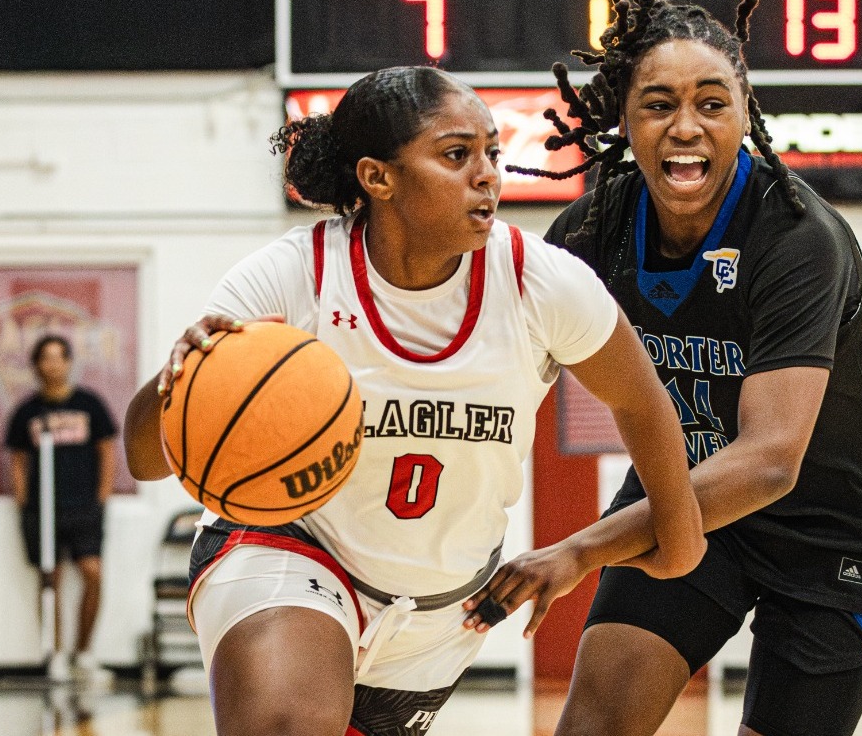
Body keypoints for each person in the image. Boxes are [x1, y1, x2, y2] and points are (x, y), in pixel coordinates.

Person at [123, 65, 706, 736]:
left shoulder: (540, 282)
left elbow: (640, 400)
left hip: (439, 610)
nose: (487, 175)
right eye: (457, 155)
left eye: (491, 153)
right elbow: (146, 459)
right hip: (288, 545)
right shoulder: (294, 275)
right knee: (288, 722)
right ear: (378, 178)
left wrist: (678, 542)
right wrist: (181, 378)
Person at [496, 0, 862, 735]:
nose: (685, 127)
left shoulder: (796, 236)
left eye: (711, 103)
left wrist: (579, 550)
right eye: (658, 104)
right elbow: (485, 360)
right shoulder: (594, 230)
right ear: (624, 118)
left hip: (835, 533)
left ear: (743, 113)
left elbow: (769, 463)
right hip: (687, 492)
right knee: (593, 726)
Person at [4, 335, 119, 684]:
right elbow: (18, 461)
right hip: (43, 510)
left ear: (69, 362)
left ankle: (83, 653)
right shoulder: (27, 412)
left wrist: (101, 498)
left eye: (58, 358)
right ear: (36, 365)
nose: (52, 365)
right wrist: (24, 503)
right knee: (49, 579)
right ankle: (54, 654)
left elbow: (107, 451)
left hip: (84, 506)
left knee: (92, 573)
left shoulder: (89, 404)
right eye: (45, 358)